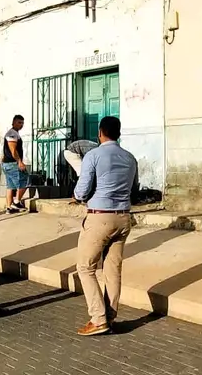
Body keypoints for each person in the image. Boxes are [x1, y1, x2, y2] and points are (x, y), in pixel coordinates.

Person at [72, 115, 138, 336]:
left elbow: (81, 191)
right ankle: (110, 316)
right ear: (118, 133)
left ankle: (98, 318)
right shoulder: (130, 158)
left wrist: (80, 196)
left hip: (100, 217)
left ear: (100, 133)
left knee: (85, 267)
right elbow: (135, 190)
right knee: (113, 270)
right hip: (124, 217)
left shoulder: (93, 155)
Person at [1, 115, 29, 214]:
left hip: (7, 164)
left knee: (10, 186)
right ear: (13, 122)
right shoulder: (12, 134)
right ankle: (16, 202)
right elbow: (13, 150)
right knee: (26, 180)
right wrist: (19, 162)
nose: (20, 125)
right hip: (12, 164)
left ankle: (9, 207)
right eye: (18, 122)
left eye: (22, 123)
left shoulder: (13, 133)